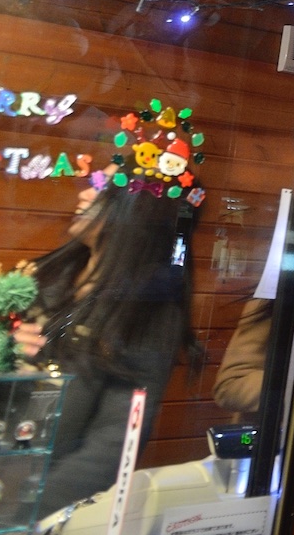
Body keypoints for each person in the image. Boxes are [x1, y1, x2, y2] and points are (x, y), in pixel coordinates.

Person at [16, 185, 202, 512]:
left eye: (102, 189)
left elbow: (110, 446)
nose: (85, 193)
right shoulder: (43, 277)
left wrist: (17, 516)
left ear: (137, 213)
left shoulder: (145, 315)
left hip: (15, 509)